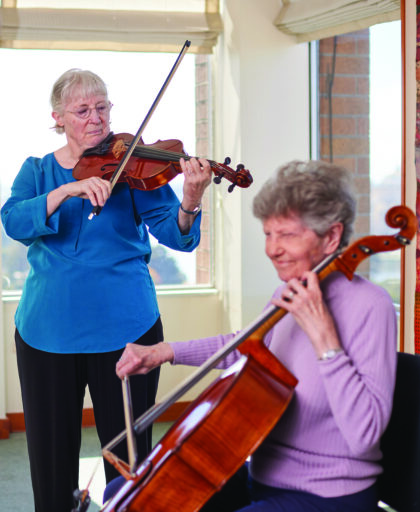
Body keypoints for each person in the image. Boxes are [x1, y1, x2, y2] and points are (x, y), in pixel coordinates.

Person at [114, 160, 397, 512]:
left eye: (287, 235)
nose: (272, 249)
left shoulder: (370, 305)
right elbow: (243, 348)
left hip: (328, 494)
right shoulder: (291, 292)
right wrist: (164, 351)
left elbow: (364, 435)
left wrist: (324, 337)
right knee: (128, 493)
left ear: (333, 237)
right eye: (268, 234)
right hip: (261, 478)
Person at [0, 68, 213, 511]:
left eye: (102, 107)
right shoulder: (37, 171)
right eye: (82, 110)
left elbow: (176, 236)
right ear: (58, 118)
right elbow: (14, 221)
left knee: (129, 454)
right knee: (52, 456)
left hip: (127, 330)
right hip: (47, 333)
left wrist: (191, 199)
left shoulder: (133, 164)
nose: (96, 118)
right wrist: (69, 190)